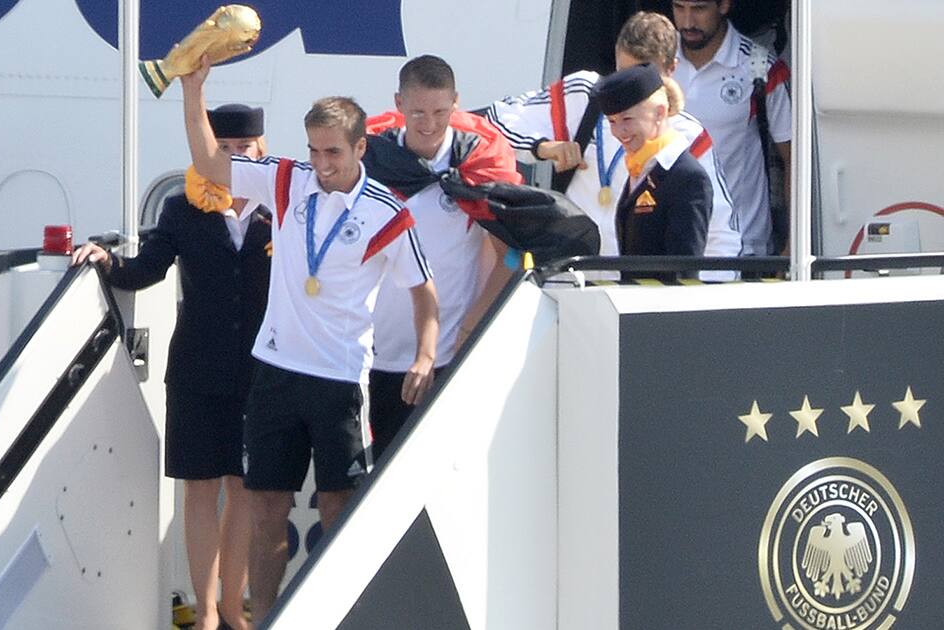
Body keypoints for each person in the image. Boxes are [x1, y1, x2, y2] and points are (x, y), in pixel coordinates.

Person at [179, 56, 439, 621]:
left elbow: (424, 293)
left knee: (339, 509)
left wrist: (424, 354)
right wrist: (194, 91)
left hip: (341, 379)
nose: (320, 164)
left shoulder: (387, 213)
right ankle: (264, 617)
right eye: (314, 150)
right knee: (265, 505)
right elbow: (208, 162)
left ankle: (340, 615)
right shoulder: (285, 179)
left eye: (333, 153)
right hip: (275, 371)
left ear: (360, 149)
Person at [72, 103, 270, 630]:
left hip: (261, 371)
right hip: (198, 368)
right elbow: (145, 270)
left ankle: (234, 606)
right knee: (201, 489)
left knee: (246, 491)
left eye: (242, 149)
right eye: (222, 148)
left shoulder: (281, 211)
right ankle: (206, 613)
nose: (232, 158)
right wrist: (105, 259)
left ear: (260, 150)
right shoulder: (183, 210)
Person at [486, 15, 740, 280]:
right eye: (622, 72)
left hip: (633, 297)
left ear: (671, 70)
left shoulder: (688, 136)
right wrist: (543, 147)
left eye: (641, 77)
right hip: (570, 285)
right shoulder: (585, 95)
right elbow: (494, 121)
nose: (627, 93)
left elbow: (723, 236)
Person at [362, 55, 522, 463]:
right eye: (417, 112)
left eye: (439, 111)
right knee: (385, 478)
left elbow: (511, 259)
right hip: (381, 354)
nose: (429, 123)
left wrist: (469, 329)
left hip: (450, 354)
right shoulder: (372, 163)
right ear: (398, 104)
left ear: (456, 104)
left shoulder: (474, 168)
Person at [671, 0, 791, 257]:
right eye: (679, 8)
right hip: (674, 243)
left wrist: (792, 242)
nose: (688, 22)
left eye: (699, 9)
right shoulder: (658, 60)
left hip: (743, 247)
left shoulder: (761, 67)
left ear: (724, 5)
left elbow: (793, 157)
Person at [594, 63, 711, 275]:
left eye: (627, 119)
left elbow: (684, 272)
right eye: (612, 121)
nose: (619, 131)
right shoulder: (640, 168)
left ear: (660, 113)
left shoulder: (687, 177)